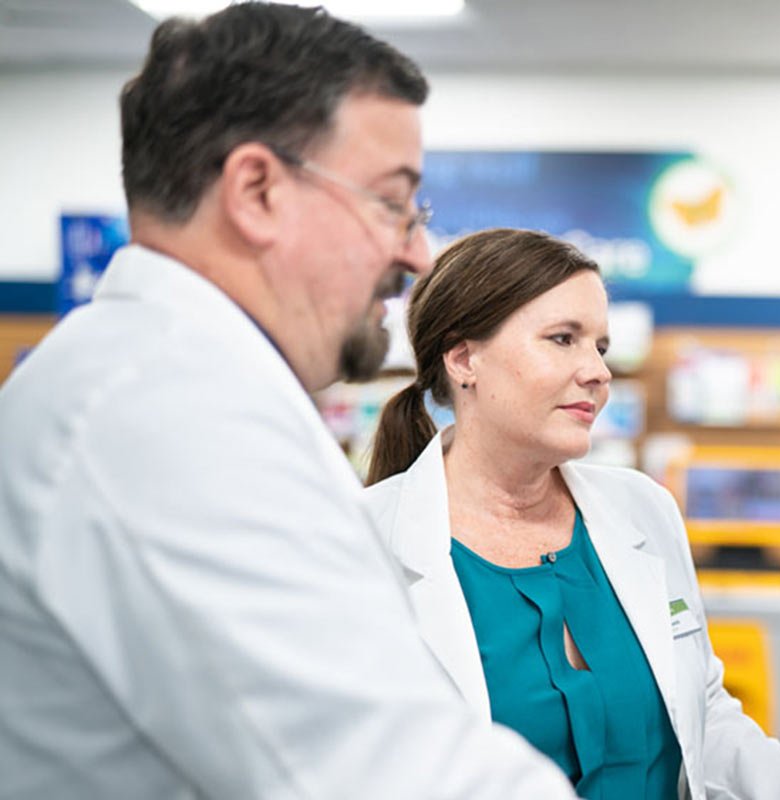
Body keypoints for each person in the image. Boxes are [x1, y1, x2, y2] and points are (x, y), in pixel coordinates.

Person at [0, 5, 576, 798]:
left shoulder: (154, 383)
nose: (415, 252)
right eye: (391, 203)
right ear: (258, 191)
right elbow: (387, 775)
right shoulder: (167, 418)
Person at [363, 228, 780, 800]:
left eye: (600, 347)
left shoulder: (643, 509)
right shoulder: (364, 543)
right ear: (463, 358)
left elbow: (704, 712)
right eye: (563, 339)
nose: (598, 372)